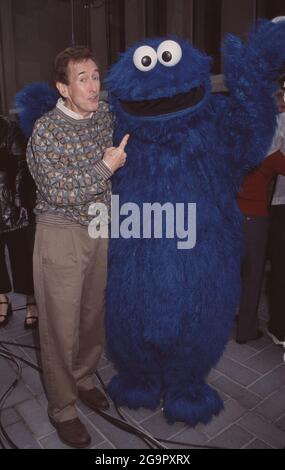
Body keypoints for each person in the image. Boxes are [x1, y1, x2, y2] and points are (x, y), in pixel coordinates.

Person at [26, 45, 129, 448]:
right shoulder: (46, 130)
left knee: (91, 316)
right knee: (60, 326)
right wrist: (106, 167)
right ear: (63, 87)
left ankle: (84, 378)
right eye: (81, 78)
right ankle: (63, 408)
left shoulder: (104, 116)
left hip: (99, 228)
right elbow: (56, 189)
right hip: (60, 232)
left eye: (95, 75)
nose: (92, 84)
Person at [236, 82, 285, 344]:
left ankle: (231, 318)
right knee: (254, 276)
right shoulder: (270, 150)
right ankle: (246, 331)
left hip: (232, 213)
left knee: (237, 272)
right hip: (255, 218)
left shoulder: (239, 140)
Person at [0, 115, 38, 329]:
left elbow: (22, 165)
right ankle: (2, 299)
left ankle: (31, 301)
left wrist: (19, 201)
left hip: (11, 204)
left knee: (21, 255)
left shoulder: (8, 128)